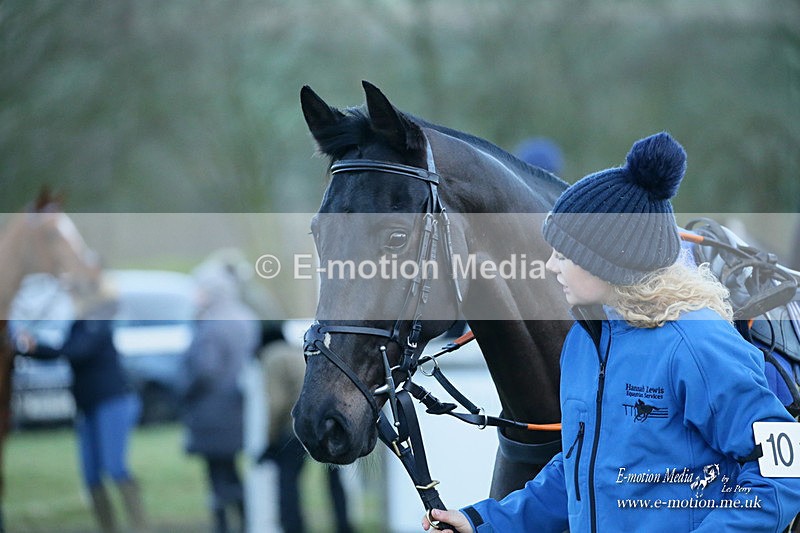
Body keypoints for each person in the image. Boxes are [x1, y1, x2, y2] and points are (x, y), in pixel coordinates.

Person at [422, 132, 800, 532]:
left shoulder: (698, 344)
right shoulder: (584, 342)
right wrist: (483, 522)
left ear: (606, 262)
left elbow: (785, 471)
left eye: (564, 254)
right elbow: (579, 470)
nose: (551, 266)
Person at [15, 271, 146, 533]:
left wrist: (36, 346)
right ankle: (108, 528)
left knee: (115, 467)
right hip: (89, 406)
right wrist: (30, 348)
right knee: (91, 475)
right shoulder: (79, 323)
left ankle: (141, 526)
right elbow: (64, 351)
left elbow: (76, 351)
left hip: (112, 402)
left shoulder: (98, 319)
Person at [178, 264, 260, 533]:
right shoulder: (245, 316)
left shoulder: (212, 323)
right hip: (237, 406)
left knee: (217, 475)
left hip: (212, 408)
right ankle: (246, 521)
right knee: (233, 470)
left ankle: (223, 525)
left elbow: (205, 369)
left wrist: (184, 390)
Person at [257, 325, 354, 533]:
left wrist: (270, 441)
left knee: (288, 482)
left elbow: (276, 404)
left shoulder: (272, 357)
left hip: (297, 427)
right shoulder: (297, 351)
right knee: (334, 480)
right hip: (329, 421)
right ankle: (344, 525)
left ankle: (293, 528)